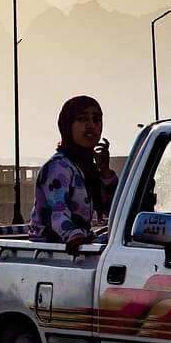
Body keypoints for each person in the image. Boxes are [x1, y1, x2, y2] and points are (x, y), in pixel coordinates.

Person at [29, 96, 116, 253]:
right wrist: (74, 236)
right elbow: (57, 214)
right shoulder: (59, 167)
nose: (91, 126)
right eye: (82, 119)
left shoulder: (86, 168)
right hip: (53, 250)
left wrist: (105, 172)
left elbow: (114, 209)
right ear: (67, 125)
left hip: (79, 244)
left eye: (96, 120)